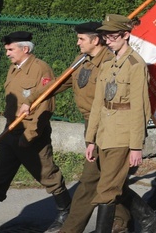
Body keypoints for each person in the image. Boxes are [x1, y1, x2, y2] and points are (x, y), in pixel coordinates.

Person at [17, 22, 131, 233]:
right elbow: (58, 83)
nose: (77, 42)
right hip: (91, 125)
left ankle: (70, 229)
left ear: (95, 40)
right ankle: (134, 219)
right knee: (108, 178)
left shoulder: (111, 62)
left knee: (90, 181)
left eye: (81, 39)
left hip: (107, 125)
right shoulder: (82, 61)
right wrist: (31, 100)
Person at [84, 14, 156, 233]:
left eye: (112, 36)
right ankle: (149, 221)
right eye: (105, 36)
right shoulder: (108, 62)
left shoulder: (136, 65)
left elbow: (140, 107)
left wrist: (136, 146)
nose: (108, 40)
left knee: (107, 188)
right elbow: (99, 102)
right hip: (104, 133)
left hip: (123, 134)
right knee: (114, 184)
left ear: (126, 35)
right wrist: (90, 139)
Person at [0, 31, 71, 231]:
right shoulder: (14, 68)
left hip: (32, 135)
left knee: (48, 176)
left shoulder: (40, 69)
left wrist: (29, 136)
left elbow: (45, 106)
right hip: (10, 133)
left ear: (25, 49)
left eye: (11, 49)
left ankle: (67, 213)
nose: (8, 54)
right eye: (7, 50)